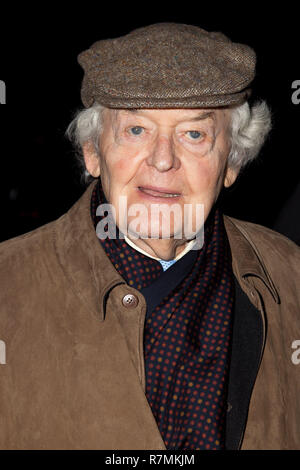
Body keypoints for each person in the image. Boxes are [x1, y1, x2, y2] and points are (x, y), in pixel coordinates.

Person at [0, 23, 299, 450]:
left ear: (232, 161)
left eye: (194, 134)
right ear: (92, 151)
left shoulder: (290, 278)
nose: (162, 161)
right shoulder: (6, 286)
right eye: (136, 130)